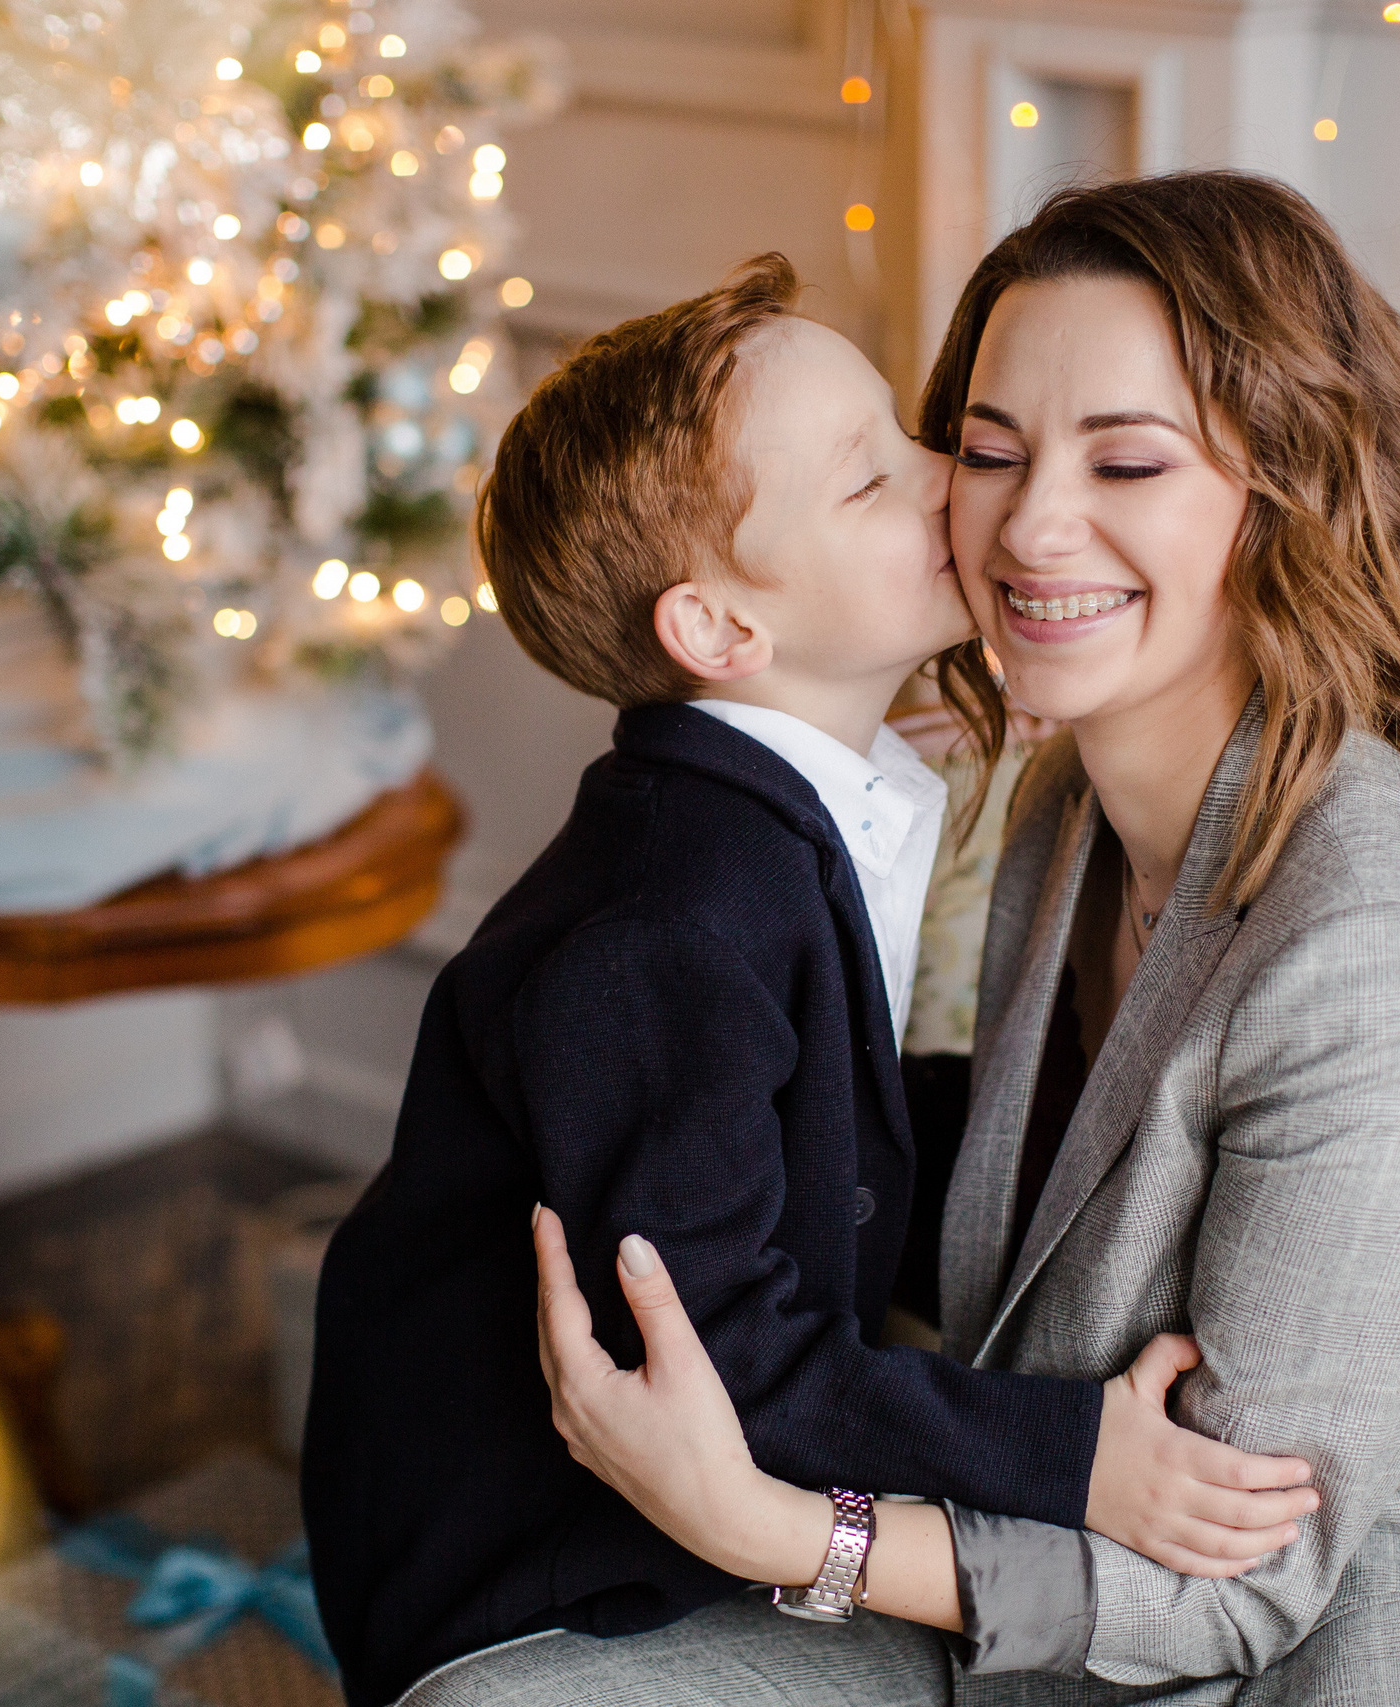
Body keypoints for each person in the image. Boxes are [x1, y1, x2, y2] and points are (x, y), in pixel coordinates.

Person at [484, 171, 1400, 1705]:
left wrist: (770, 1528)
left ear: (1286, 491)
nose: (1030, 525)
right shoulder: (1062, 804)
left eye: (1128, 461)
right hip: (1047, 1606)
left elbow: (1234, 1592)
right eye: (987, 451)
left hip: (1342, 1664)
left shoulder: (1397, 958)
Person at [301, 253, 1322, 1707]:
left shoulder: (770, 824)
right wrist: (1078, 1456)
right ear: (722, 631)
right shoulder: (666, 921)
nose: (947, 478)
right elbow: (725, 1362)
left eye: (910, 437)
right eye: (870, 481)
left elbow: (827, 1132)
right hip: (543, 1574)